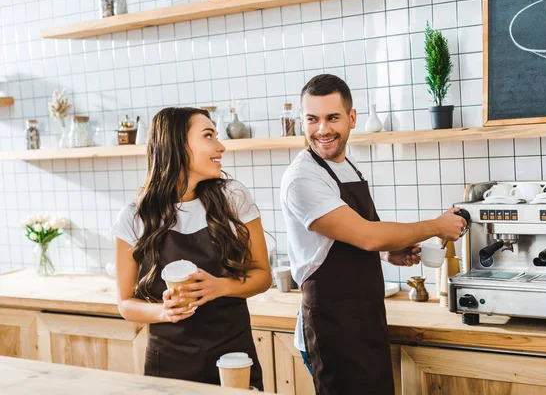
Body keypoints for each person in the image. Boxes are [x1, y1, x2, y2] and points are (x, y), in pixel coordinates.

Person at [280, 75, 466, 394]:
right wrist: (436, 226)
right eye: (312, 119)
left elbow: (353, 238)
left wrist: (385, 254)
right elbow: (367, 235)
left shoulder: (345, 166)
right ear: (302, 120)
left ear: (352, 118)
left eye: (332, 117)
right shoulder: (303, 179)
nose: (322, 129)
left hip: (364, 322)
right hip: (331, 331)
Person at [111, 107, 272, 389]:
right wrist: (164, 312)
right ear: (176, 145)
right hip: (170, 364)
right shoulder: (134, 217)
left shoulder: (233, 197)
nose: (220, 146)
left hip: (232, 357)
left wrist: (219, 287)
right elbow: (125, 304)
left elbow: (262, 276)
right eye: (208, 136)